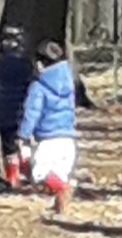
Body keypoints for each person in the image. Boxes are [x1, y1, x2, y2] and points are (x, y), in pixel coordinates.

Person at [19, 40, 78, 215]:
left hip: (48, 139)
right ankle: (61, 208)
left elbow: (32, 113)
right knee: (59, 174)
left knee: (39, 175)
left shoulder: (39, 86)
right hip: (68, 138)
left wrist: (23, 135)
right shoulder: (68, 84)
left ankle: (65, 189)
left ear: (39, 63)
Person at [0, 26, 34, 187]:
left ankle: (13, 177)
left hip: (2, 112)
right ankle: (27, 171)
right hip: (22, 111)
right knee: (24, 141)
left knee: (8, 144)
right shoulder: (26, 65)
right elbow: (32, 86)